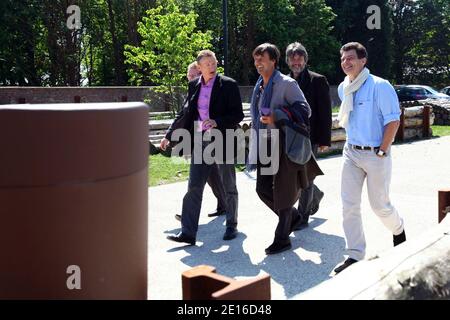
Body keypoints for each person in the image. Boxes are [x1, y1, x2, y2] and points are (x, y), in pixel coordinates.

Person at [334, 42, 406, 274]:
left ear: (363, 61)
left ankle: (399, 231)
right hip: (351, 152)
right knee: (349, 205)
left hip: (376, 154)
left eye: (351, 58)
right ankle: (355, 255)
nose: (346, 62)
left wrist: (383, 150)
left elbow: (393, 120)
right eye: (343, 58)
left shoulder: (380, 86)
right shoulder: (344, 87)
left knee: (380, 206)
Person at [249, 43, 323, 255]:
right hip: (265, 141)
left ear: (274, 60)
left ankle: (282, 239)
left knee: (283, 192)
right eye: (256, 60)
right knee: (262, 189)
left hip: (284, 143)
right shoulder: (259, 85)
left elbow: (304, 110)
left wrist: (277, 116)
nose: (258, 63)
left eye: (262, 59)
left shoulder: (287, 83)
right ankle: (294, 216)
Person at [164, 50, 244, 245]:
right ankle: (188, 233)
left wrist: (217, 121)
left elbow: (238, 115)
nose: (211, 66)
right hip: (200, 140)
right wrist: (169, 135)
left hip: (223, 137)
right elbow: (185, 113)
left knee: (228, 184)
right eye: (206, 63)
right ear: (198, 67)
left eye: (213, 62)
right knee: (194, 185)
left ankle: (231, 225)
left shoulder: (228, 84)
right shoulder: (194, 86)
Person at [166, 62, 228, 222]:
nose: (191, 78)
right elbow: (181, 115)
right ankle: (224, 204)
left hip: (210, 138)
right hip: (197, 138)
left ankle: (188, 216)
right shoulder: (193, 92)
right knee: (211, 174)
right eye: (189, 75)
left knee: (196, 179)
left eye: (194, 75)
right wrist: (168, 135)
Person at [286, 42, 332, 229]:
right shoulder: (283, 81)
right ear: (288, 61)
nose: (296, 62)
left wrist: (324, 139)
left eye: (300, 58)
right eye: (293, 59)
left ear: (305, 59)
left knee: (306, 176)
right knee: (296, 176)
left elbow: (325, 112)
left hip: (309, 137)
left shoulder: (317, 80)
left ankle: (303, 217)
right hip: (289, 137)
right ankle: (316, 194)